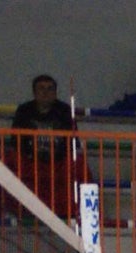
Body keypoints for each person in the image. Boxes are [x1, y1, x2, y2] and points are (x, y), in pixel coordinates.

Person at [8, 74, 84, 218]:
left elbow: (73, 142)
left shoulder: (65, 111)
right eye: (41, 89)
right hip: (30, 162)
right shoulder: (24, 110)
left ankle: (80, 213)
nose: (45, 92)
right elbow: (15, 142)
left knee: (80, 165)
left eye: (50, 89)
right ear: (34, 92)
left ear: (55, 93)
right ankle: (10, 211)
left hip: (58, 164)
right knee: (8, 161)